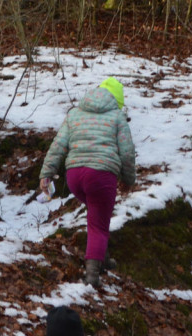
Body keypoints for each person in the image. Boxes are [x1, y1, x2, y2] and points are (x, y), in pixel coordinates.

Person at [39, 77, 137, 288]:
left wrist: (46, 173)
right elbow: (127, 153)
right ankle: (92, 274)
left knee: (96, 215)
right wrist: (129, 179)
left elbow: (58, 145)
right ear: (117, 101)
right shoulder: (117, 117)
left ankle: (102, 255)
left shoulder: (75, 113)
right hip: (101, 175)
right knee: (99, 223)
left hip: (74, 176)